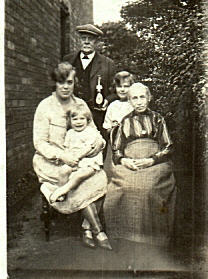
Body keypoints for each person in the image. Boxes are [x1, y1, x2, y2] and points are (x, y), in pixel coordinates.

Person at [33, 61, 112, 250]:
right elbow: (40, 143)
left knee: (100, 178)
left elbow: (96, 134)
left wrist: (96, 147)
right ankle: (98, 231)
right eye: (61, 83)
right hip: (52, 162)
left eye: (69, 82)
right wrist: (62, 157)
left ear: (74, 83)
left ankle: (86, 229)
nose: (66, 87)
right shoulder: (45, 107)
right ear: (55, 84)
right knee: (77, 181)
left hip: (82, 159)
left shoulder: (80, 104)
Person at [104, 82, 177, 247]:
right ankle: (124, 234)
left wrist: (151, 160)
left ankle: (153, 238)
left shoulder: (158, 119)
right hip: (131, 163)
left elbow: (168, 147)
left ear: (149, 98)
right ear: (129, 101)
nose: (139, 101)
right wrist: (125, 161)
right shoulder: (125, 122)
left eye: (142, 97)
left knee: (148, 189)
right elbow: (116, 150)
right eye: (134, 98)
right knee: (121, 188)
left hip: (154, 163)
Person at [63, 24, 116, 159]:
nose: (86, 42)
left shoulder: (107, 64)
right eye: (83, 38)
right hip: (72, 114)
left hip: (96, 114)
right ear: (79, 40)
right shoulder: (67, 60)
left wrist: (107, 100)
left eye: (90, 39)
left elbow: (115, 91)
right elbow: (60, 84)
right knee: (71, 148)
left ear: (96, 42)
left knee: (96, 150)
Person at [49, 103, 104, 204]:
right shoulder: (70, 133)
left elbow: (89, 148)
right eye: (75, 119)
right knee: (63, 171)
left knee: (78, 176)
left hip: (89, 163)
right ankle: (62, 193)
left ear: (87, 120)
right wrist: (67, 158)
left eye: (81, 119)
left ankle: (63, 189)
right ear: (70, 121)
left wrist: (77, 157)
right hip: (74, 161)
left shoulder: (90, 132)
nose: (78, 122)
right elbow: (67, 148)